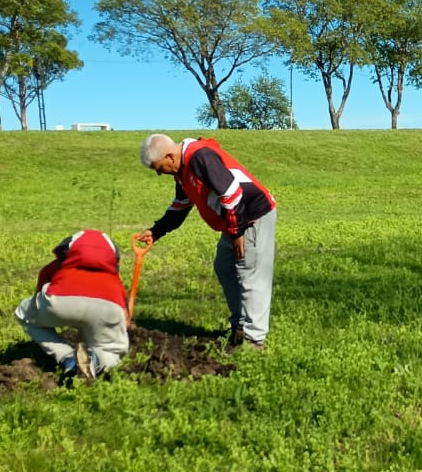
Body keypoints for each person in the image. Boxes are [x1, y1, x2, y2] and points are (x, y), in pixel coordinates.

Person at [137, 133, 277, 352]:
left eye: (158, 167)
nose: (158, 173)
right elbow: (180, 206)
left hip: (252, 215)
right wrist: (156, 232)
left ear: (169, 157)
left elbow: (232, 193)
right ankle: (239, 325)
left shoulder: (200, 157)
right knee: (225, 267)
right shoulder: (182, 172)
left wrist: (237, 232)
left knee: (250, 272)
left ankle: (254, 340)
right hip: (234, 219)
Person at [15, 229, 130, 385]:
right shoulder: (113, 274)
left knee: (23, 313)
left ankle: (68, 358)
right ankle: (95, 360)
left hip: (59, 302)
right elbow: (124, 311)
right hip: (107, 307)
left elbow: (42, 283)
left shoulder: (59, 264)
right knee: (112, 349)